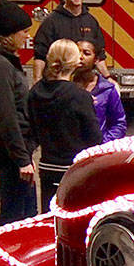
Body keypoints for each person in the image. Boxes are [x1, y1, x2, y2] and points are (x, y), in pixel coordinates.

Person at [0, 2, 38, 225]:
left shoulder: (6, 62)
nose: (27, 35)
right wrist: (22, 159)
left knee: (26, 212)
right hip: (11, 152)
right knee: (14, 215)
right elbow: (6, 115)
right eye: (24, 31)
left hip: (19, 148)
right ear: (10, 34)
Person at [29, 39, 103, 208]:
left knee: (49, 215)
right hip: (74, 168)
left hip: (47, 166)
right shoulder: (79, 96)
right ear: (74, 62)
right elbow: (94, 137)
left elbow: (32, 128)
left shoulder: (36, 91)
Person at [32, 0, 107, 81]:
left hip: (84, 81)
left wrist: (108, 77)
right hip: (58, 81)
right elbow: (40, 55)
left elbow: (99, 55)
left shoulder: (91, 21)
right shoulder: (51, 21)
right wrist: (37, 81)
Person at [73, 39, 126, 142]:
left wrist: (102, 144)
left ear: (96, 59)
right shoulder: (64, 86)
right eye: (76, 52)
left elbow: (119, 124)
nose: (80, 57)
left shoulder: (107, 89)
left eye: (86, 53)